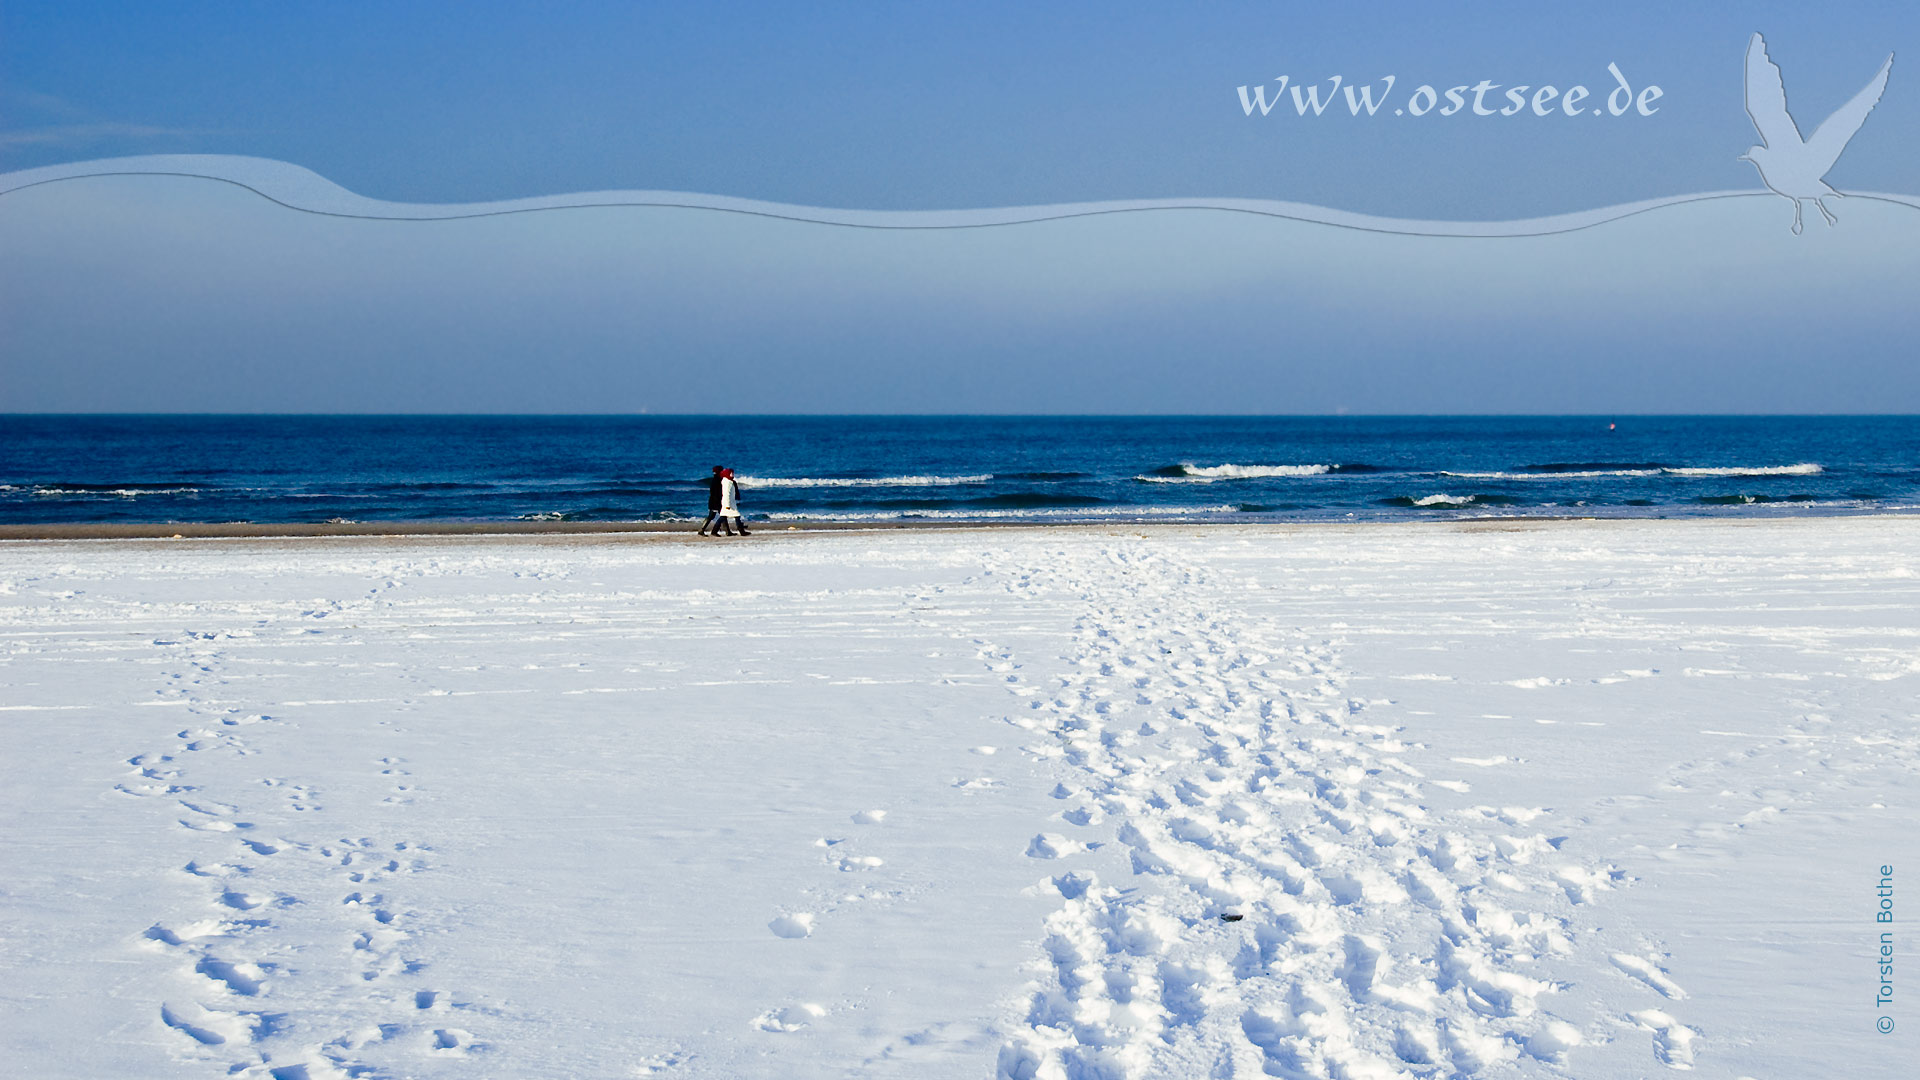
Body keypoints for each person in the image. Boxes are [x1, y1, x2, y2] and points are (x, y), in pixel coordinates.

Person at [698, 465, 726, 536]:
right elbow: (715, 492)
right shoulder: (718, 480)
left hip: (714, 501)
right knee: (718, 515)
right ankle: (704, 530)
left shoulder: (716, 479)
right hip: (716, 501)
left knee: (718, 515)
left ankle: (727, 531)